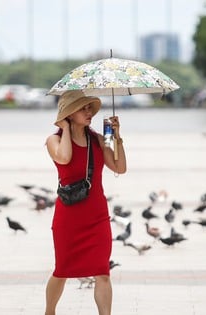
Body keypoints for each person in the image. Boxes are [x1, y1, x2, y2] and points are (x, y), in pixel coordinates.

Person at [44, 90, 126, 315]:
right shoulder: (54, 140)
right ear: (69, 114)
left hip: (97, 216)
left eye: (89, 107)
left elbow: (120, 168)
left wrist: (116, 137)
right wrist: (68, 129)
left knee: (102, 272)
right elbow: (64, 158)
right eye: (83, 108)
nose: (89, 112)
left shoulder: (99, 139)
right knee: (62, 270)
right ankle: (49, 311)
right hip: (68, 217)